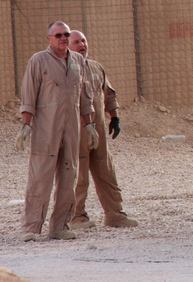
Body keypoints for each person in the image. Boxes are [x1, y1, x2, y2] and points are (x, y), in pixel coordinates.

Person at [14, 21, 99, 242]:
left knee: (69, 175)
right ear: (49, 38)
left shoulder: (78, 62)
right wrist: (26, 125)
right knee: (41, 177)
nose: (63, 38)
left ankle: (60, 226)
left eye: (66, 34)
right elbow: (29, 93)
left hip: (71, 128)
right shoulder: (39, 61)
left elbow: (85, 96)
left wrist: (89, 125)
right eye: (58, 35)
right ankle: (31, 227)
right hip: (46, 128)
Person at [68, 30, 139, 230]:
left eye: (83, 41)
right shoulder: (65, 70)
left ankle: (114, 214)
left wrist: (115, 118)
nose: (81, 44)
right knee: (78, 175)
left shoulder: (96, 68)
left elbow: (109, 95)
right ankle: (76, 217)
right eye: (76, 42)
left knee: (106, 172)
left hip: (98, 133)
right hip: (76, 133)